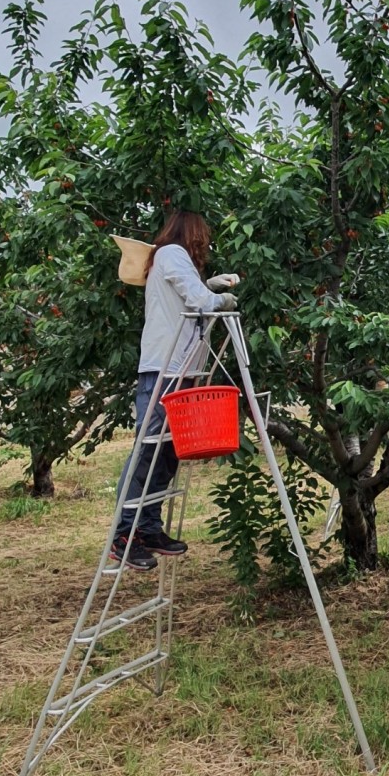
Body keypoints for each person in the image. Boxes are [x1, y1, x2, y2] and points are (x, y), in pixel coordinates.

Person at [111, 210, 240, 571]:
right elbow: (200, 303)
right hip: (163, 371)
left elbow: (189, 296)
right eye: (205, 236)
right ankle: (124, 535)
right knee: (146, 453)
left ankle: (148, 528)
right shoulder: (171, 254)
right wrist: (219, 299)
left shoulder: (170, 260)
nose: (206, 244)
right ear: (193, 234)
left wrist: (209, 285)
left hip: (178, 370)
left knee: (167, 453)